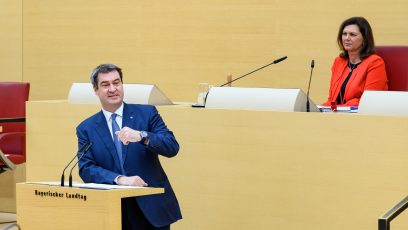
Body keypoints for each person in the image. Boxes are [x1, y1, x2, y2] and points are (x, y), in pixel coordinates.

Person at [76, 64, 182, 230]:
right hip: (115, 210)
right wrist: (119, 179)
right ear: (95, 90)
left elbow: (171, 146)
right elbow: (86, 168)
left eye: (116, 83)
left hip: (150, 205)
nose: (112, 89)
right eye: (105, 84)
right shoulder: (86, 128)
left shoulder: (146, 113)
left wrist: (142, 136)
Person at [322, 16, 388, 107]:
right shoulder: (339, 62)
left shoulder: (375, 63)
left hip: (361, 117)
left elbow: (369, 101)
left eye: (352, 35)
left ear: (364, 38)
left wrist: (339, 107)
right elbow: (332, 99)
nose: (347, 38)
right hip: (337, 115)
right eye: (344, 34)